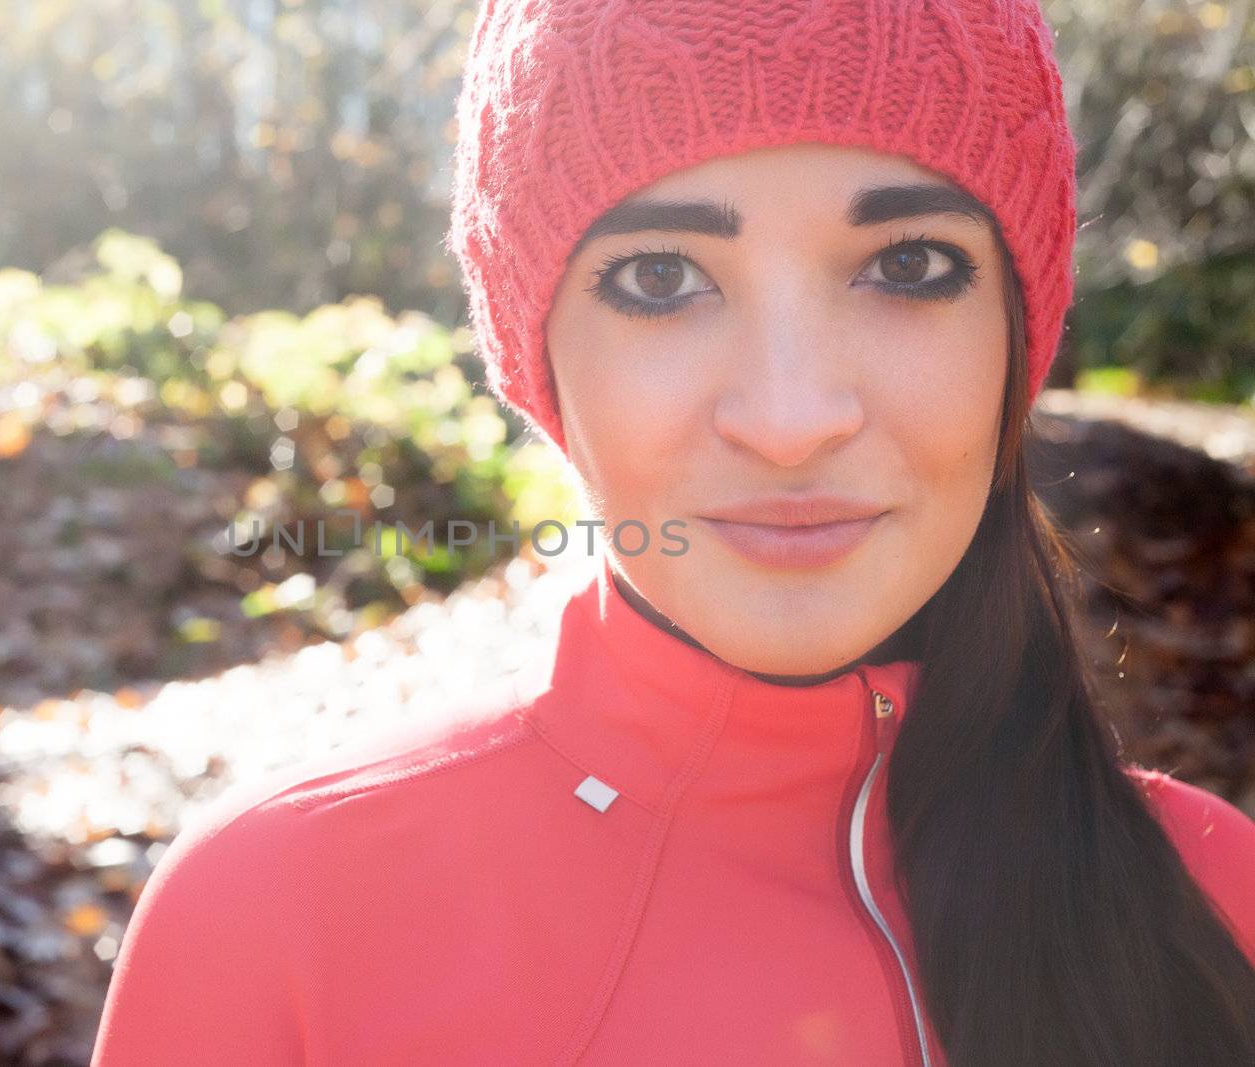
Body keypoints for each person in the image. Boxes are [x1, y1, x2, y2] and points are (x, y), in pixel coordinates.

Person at [91, 1, 1255, 1063]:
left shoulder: (1216, 905)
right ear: (536, 359)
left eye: (908, 264)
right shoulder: (278, 920)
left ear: (1018, 324)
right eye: (658, 277)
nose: (791, 419)